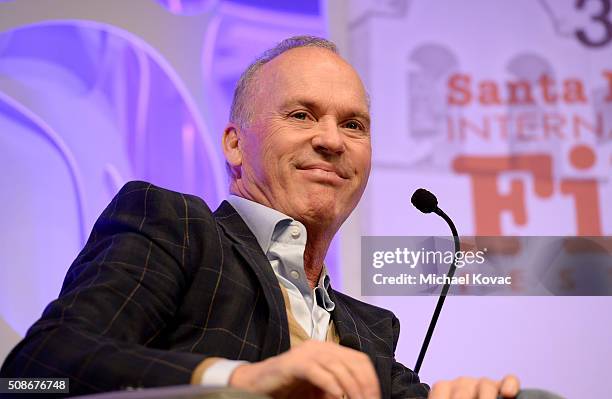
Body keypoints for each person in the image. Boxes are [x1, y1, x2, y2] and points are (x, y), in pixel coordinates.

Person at [0, 36, 520, 399]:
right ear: (234, 144)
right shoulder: (178, 229)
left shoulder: (370, 331)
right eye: (301, 115)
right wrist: (235, 382)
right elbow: (32, 373)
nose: (332, 140)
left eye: (354, 124)